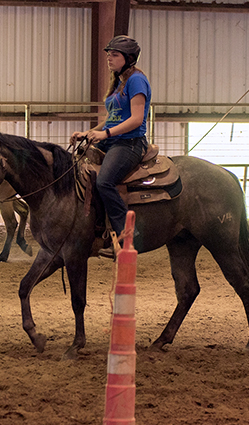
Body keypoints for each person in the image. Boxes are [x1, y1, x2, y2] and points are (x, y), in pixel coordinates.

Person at [70, 35, 151, 258]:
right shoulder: (119, 81)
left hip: (129, 143)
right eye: (108, 54)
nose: (109, 58)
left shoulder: (136, 81)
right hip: (113, 139)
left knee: (105, 181)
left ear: (128, 58)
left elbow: (136, 119)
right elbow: (113, 118)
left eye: (114, 55)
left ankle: (127, 238)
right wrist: (89, 133)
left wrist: (104, 134)